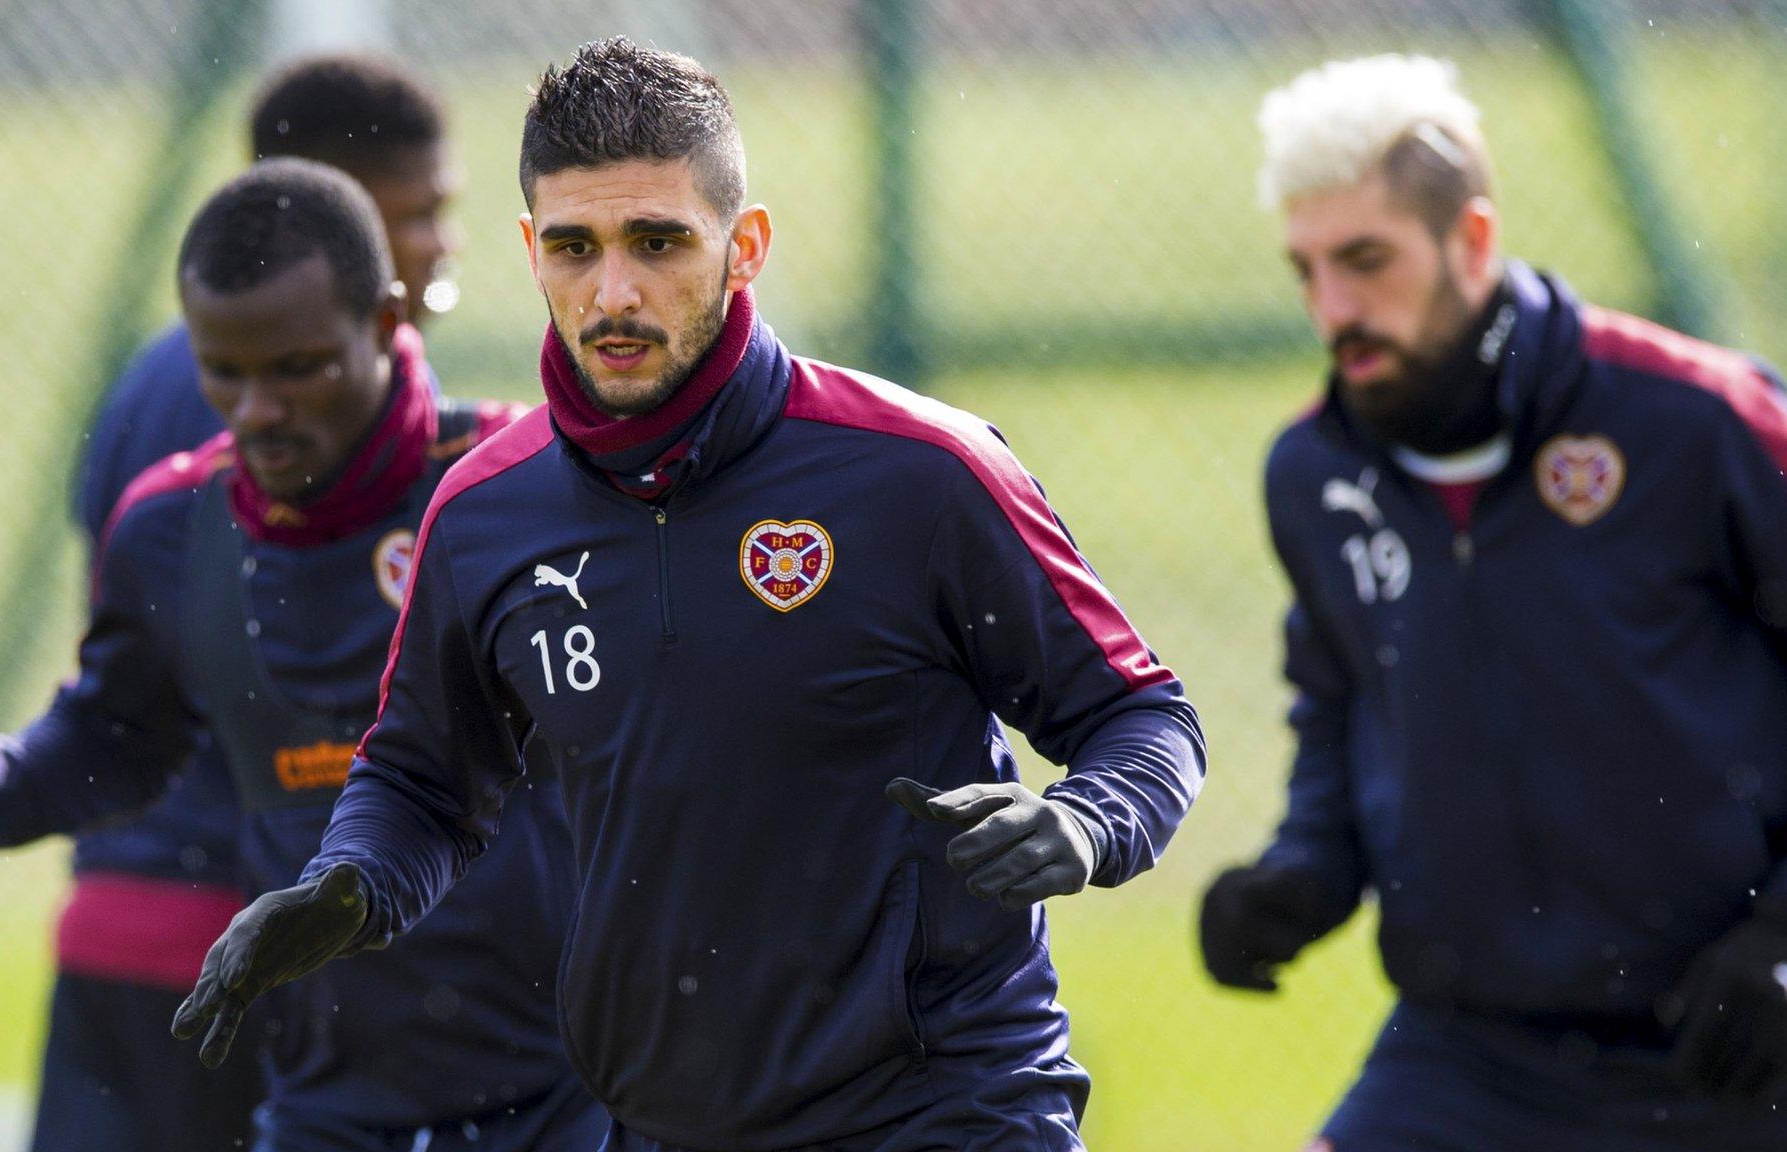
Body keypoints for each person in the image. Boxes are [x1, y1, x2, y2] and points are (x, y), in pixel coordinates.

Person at [171, 38, 1205, 1152]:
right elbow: (424, 781)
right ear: (529, 250)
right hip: (666, 1125)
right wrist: (348, 889)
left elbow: (1141, 715)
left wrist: (1087, 822)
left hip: (945, 1112)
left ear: (742, 245)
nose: (611, 292)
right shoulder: (485, 516)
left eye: (656, 242)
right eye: (573, 248)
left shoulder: (919, 472)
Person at [0, 160, 605, 1152]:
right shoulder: (171, 528)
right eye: (224, 372)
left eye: (297, 367)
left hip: (570, 1101)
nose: (256, 410)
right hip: (324, 1110)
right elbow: (109, 740)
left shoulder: (527, 486)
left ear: (383, 321)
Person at [1197, 54, 1787, 1151]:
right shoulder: (1312, 473)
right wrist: (1302, 874)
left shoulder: (1697, 418)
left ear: (1469, 240)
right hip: (1473, 1056)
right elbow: (1343, 704)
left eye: (1365, 261)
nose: (1333, 310)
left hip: (1741, 1037)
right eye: (1306, 269)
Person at [44, 53, 462, 1152]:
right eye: (418, 212)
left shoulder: (160, 377)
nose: (438, 245)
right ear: (336, 212)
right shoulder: (271, 406)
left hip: (133, 916)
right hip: (226, 939)